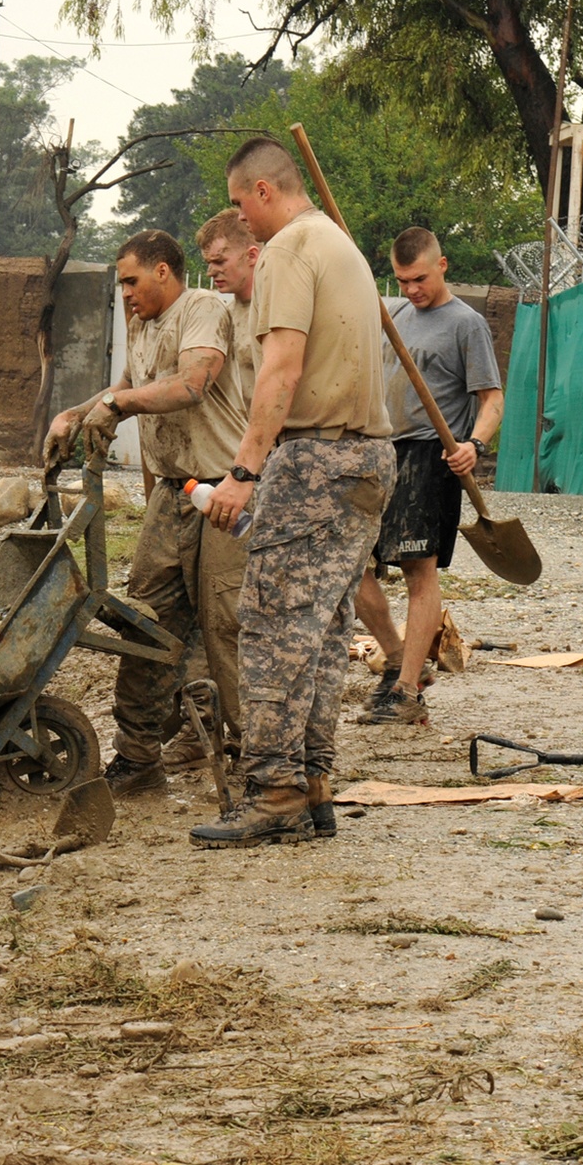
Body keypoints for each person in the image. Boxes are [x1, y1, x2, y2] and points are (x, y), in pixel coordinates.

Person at [190, 138, 396, 848]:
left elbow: (282, 367)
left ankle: (274, 790)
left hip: (316, 458)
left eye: (243, 204)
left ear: (265, 192)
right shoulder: (340, 246)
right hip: (368, 458)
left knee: (274, 626)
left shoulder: (288, 251)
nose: (241, 221)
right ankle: (313, 786)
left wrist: (243, 472)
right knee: (323, 629)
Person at [43, 229, 238, 796]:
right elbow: (129, 385)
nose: (125, 292)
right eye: (121, 282)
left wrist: (116, 405)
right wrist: (76, 414)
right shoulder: (142, 322)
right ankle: (138, 758)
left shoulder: (199, 308)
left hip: (222, 491)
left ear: (162, 271)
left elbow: (193, 383)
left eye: (131, 280)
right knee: (146, 622)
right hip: (171, 494)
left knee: (224, 628)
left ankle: (255, 762)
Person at [354, 227, 504, 726]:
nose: (412, 290)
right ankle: (401, 659)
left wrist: (473, 445)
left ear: (442, 265)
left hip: (431, 457)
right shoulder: (393, 316)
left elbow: (492, 401)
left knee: (419, 571)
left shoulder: (468, 325)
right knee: (351, 566)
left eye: (418, 279)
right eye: (401, 281)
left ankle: (405, 691)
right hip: (381, 451)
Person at [157, 207, 264, 771]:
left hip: (251, 478)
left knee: (230, 615)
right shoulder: (230, 311)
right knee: (191, 609)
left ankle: (255, 745)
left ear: (252, 252)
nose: (212, 272)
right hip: (213, 483)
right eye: (206, 264)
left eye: (219, 261)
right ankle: (202, 729)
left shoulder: (275, 308)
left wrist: (248, 476)